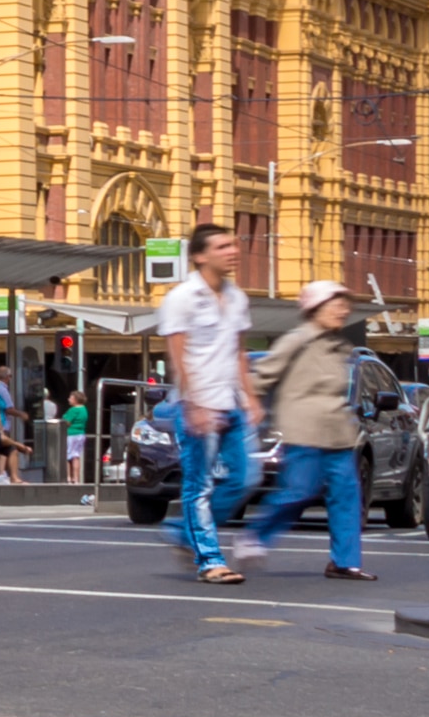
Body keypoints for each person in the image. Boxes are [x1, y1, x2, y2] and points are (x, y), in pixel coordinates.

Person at [240, 279, 372, 580]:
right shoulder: (296, 341)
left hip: (338, 433)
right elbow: (262, 375)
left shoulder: (341, 347)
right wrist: (249, 406)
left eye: (345, 305)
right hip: (304, 431)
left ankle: (344, 562)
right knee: (300, 491)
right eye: (336, 304)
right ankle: (255, 536)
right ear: (316, 308)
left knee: (347, 496)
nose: (343, 311)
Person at [153, 220, 262, 583]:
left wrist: (251, 397)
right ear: (200, 256)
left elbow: (238, 351)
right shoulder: (182, 298)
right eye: (222, 247)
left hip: (231, 403)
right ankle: (210, 560)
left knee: (245, 479)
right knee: (198, 485)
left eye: (233, 245)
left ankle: (185, 534)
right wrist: (194, 404)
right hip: (197, 404)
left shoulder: (237, 297)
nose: (233, 251)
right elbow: (178, 356)